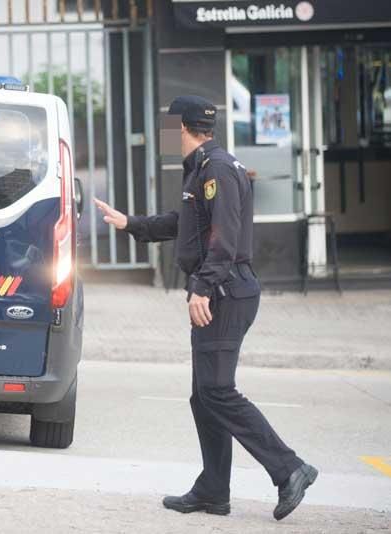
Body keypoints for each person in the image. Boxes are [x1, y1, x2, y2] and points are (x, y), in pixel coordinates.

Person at [94, 95, 317, 521]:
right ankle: (214, 490)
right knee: (204, 396)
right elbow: (188, 224)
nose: (164, 132)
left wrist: (202, 287)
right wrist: (132, 224)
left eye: (166, 124)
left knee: (216, 391)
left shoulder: (216, 169)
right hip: (222, 289)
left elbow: (224, 238)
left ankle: (290, 469)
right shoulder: (204, 167)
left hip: (225, 292)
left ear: (180, 126)